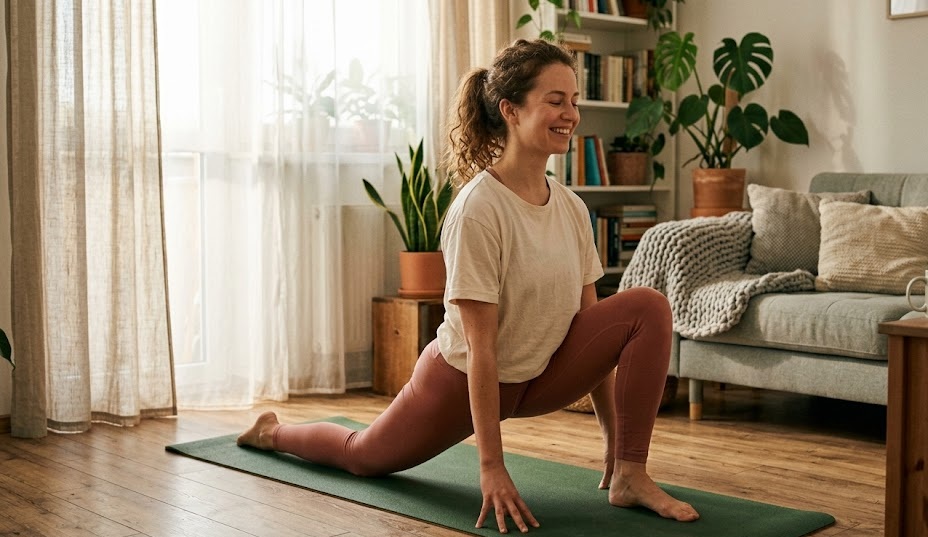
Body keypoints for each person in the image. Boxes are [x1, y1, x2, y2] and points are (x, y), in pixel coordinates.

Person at [238, 38, 699, 533]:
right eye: (556, 100)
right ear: (510, 110)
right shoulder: (479, 209)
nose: (572, 115)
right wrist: (491, 467)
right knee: (364, 456)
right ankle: (274, 433)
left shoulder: (571, 209)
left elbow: (595, 337)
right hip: (462, 381)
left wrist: (615, 445)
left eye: (575, 101)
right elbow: (481, 350)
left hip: (541, 375)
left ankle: (633, 475)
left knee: (646, 307)